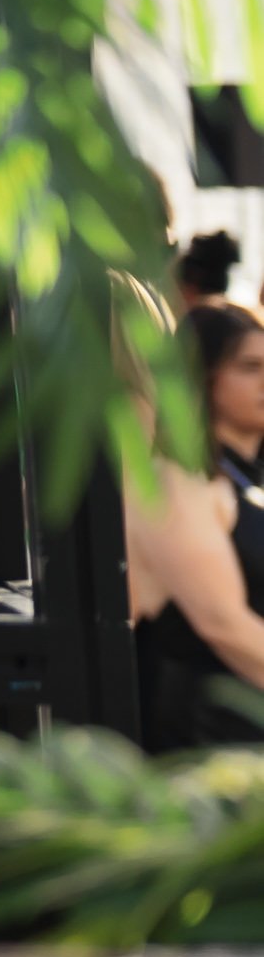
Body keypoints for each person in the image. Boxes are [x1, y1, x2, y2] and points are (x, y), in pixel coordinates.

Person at [131, 298, 264, 749]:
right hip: (211, 739)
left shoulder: (249, 473)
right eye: (250, 367)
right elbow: (223, 625)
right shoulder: (179, 480)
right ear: (203, 378)